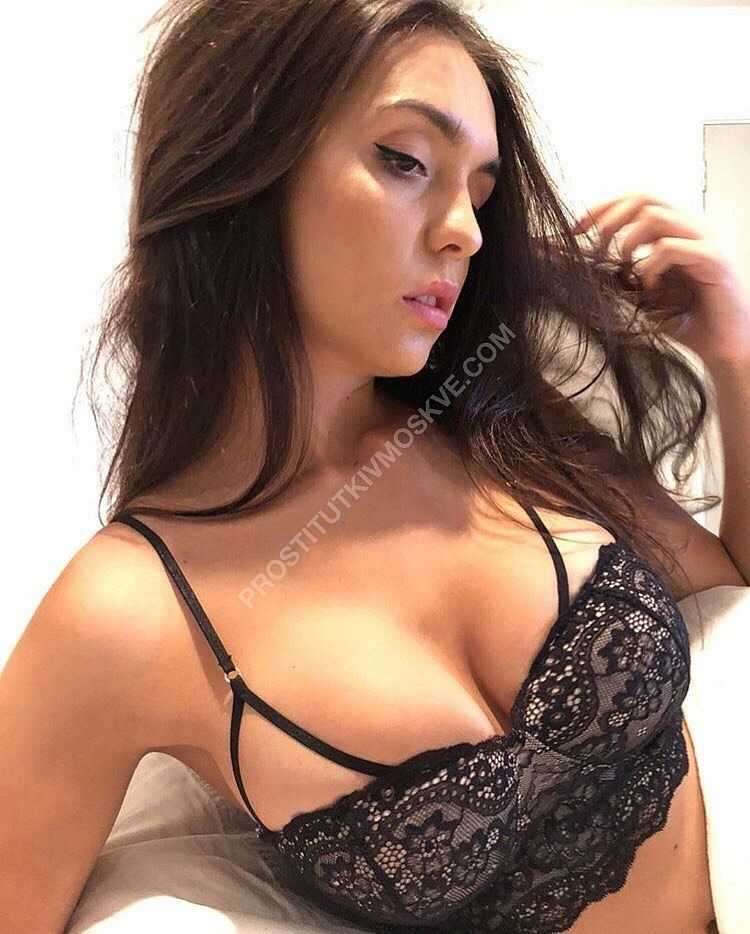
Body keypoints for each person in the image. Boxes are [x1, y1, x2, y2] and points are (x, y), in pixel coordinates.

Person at [3, 0, 748, 931]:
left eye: (480, 192)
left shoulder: (498, 414)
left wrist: (735, 354)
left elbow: (729, 593)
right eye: (405, 160)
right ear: (236, 168)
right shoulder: (124, 616)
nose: (466, 231)